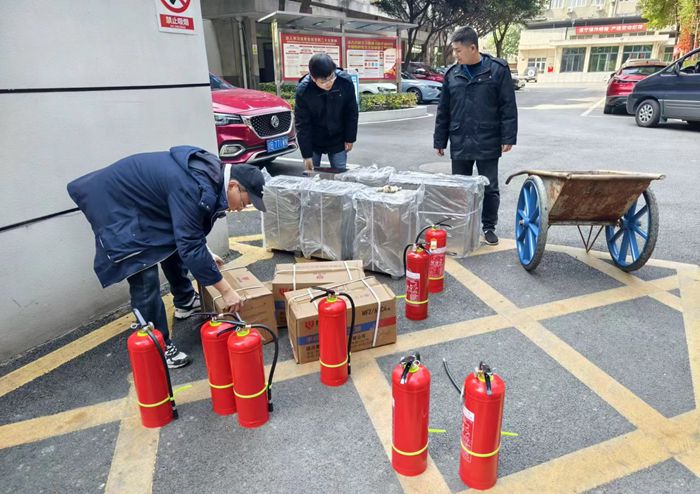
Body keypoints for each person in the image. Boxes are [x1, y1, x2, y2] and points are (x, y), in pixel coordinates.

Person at [67, 146, 267, 368]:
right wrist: (226, 292)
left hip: (137, 203)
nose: (242, 208)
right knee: (143, 269)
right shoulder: (194, 186)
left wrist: (206, 252)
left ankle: (185, 301)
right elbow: (190, 244)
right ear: (233, 186)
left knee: (171, 244)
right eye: (246, 202)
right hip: (115, 204)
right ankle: (157, 347)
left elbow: (187, 229)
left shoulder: (210, 178)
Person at [433, 26, 518, 246]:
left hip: (487, 138)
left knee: (489, 187)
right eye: (454, 51)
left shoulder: (497, 70)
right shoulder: (452, 74)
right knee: (459, 188)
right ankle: (460, 226)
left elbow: (508, 105)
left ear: (473, 48)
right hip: (460, 138)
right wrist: (440, 140)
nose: (455, 55)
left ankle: (488, 227)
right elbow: (443, 110)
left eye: (458, 50)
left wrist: (508, 137)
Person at [295, 53, 359, 172]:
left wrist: (350, 138)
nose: (329, 83)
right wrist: (306, 155)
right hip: (314, 140)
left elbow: (351, 112)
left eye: (331, 77)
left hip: (337, 138)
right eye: (323, 81)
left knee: (340, 173)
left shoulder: (344, 82)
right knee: (312, 174)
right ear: (313, 78)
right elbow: (302, 125)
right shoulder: (304, 91)